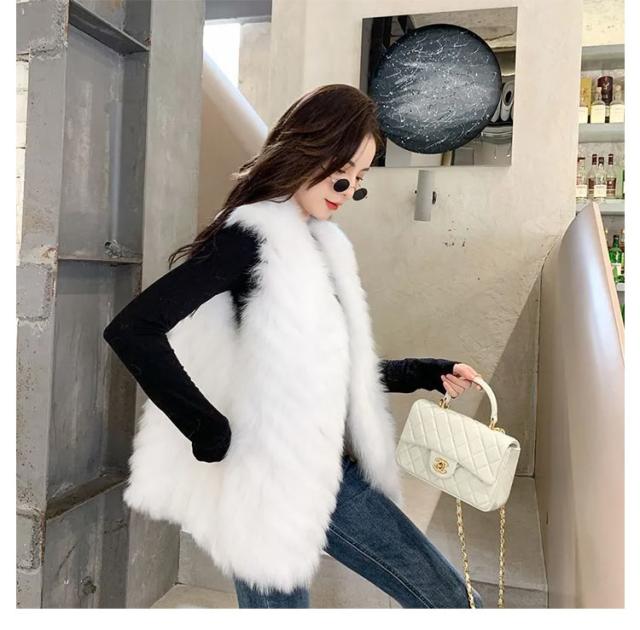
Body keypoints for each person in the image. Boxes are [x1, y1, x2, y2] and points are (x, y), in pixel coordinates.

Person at [103, 84, 484, 609]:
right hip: (271, 477)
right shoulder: (249, 238)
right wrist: (206, 427)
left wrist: (422, 372)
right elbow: (133, 329)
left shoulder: (319, 243)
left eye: (360, 178)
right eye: (341, 170)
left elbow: (321, 368)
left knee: (449, 600)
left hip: (328, 466)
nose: (347, 188)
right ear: (308, 148)